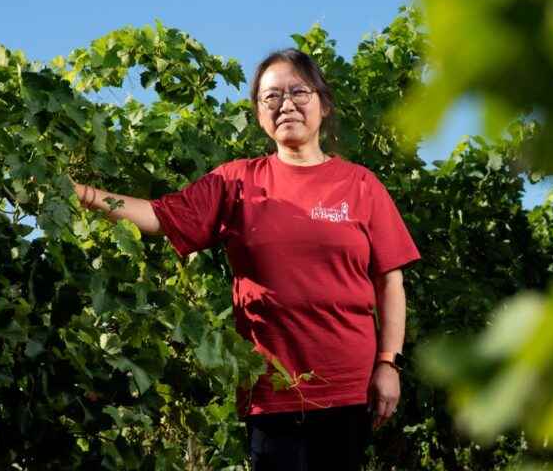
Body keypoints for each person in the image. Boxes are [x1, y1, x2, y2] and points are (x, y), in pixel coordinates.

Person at [73, 49, 420, 470]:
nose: (286, 104)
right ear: (259, 113)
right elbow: (159, 216)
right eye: (271, 97)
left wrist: (388, 364)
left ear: (323, 104)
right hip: (271, 392)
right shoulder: (238, 181)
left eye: (298, 92)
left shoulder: (361, 185)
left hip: (347, 389)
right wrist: (83, 195)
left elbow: (390, 281)